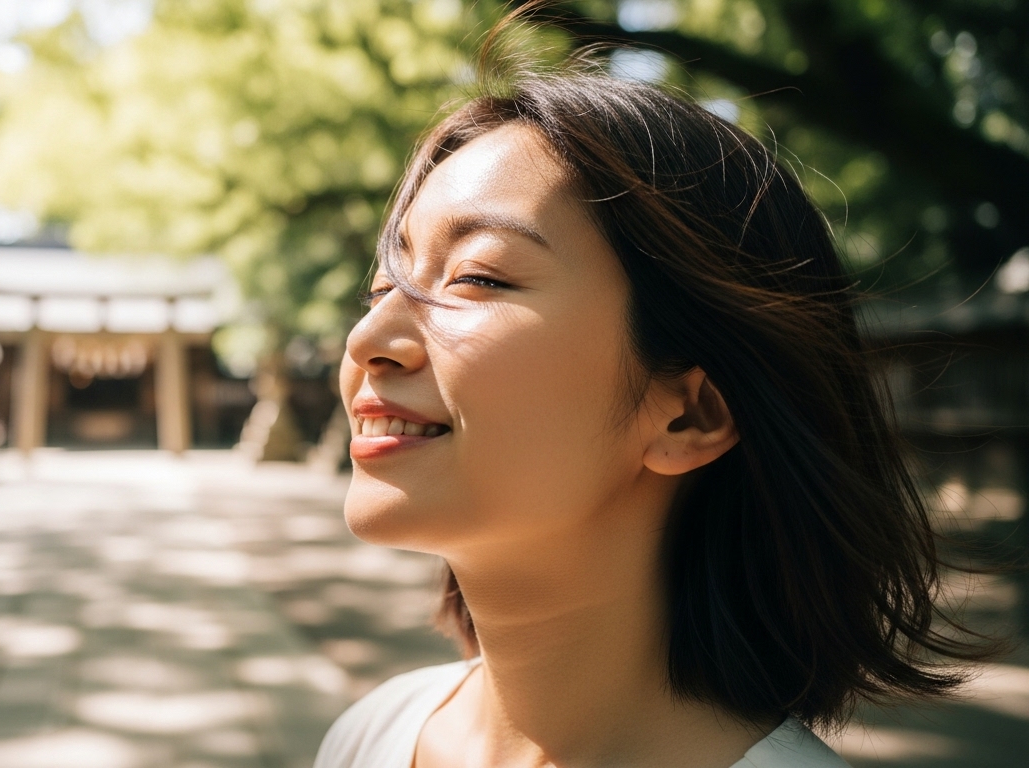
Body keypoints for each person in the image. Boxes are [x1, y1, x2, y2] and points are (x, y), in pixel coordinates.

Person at [314, 46, 993, 768]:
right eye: (384, 286)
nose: (368, 339)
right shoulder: (371, 735)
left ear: (689, 415)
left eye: (477, 277)